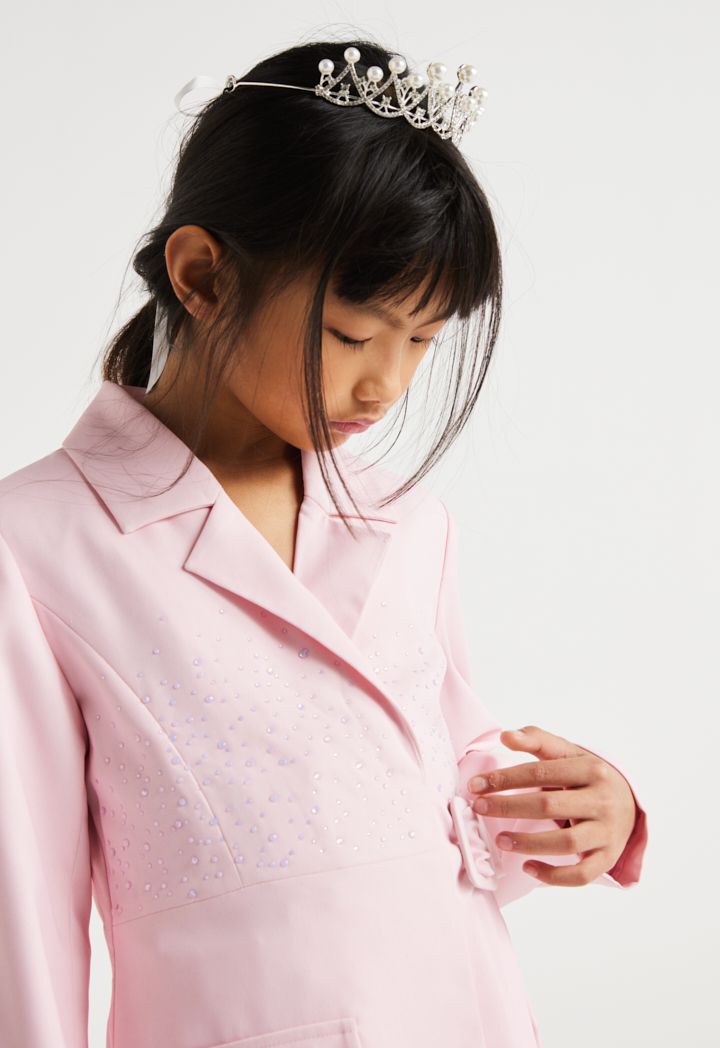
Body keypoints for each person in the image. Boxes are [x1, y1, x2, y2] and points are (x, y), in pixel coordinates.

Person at [0, 36, 647, 1048]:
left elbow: (441, 793)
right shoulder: (37, 546)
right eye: (353, 334)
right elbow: (23, 922)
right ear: (202, 275)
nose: (386, 385)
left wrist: (576, 813)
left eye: (422, 341)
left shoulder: (409, 523)